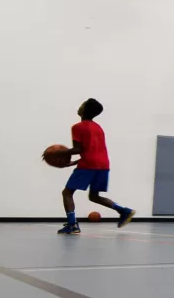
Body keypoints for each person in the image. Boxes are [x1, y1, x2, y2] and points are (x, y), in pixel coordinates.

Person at [57, 98, 134, 235]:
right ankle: (123, 211)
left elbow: (78, 150)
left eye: (82, 104)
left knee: (67, 193)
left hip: (88, 165)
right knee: (94, 196)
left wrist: (60, 152)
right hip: (103, 165)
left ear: (84, 109)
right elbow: (91, 150)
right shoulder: (98, 127)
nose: (79, 106)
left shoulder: (78, 127)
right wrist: (73, 163)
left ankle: (72, 224)